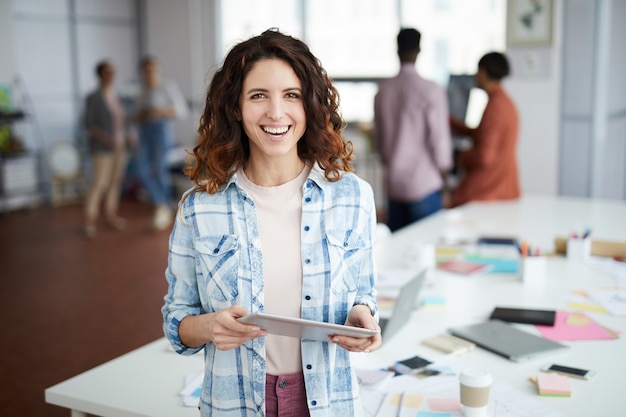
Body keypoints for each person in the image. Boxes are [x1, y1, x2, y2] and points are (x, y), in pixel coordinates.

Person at [161, 28, 381, 417]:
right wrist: (209, 327)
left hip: (329, 402)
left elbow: (364, 293)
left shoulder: (353, 196)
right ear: (235, 107)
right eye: (258, 95)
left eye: (291, 96)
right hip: (235, 403)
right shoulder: (197, 209)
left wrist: (363, 316)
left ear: (309, 105)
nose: (276, 113)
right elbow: (176, 320)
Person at [373, 28, 452, 232]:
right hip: (424, 185)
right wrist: (445, 177)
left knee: (397, 254)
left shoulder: (383, 90)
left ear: (397, 50)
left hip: (394, 185)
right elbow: (439, 141)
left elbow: (379, 143)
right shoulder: (431, 90)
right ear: (419, 51)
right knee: (427, 250)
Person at [449, 51, 520, 207]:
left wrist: (461, 157)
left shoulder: (495, 108)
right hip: (503, 184)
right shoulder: (504, 102)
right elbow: (483, 135)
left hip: (489, 187)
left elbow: (485, 157)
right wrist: (453, 123)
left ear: (482, 72)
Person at [134, 55, 188, 231]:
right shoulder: (141, 91)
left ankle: (161, 206)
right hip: (145, 132)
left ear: (156, 69)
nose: (149, 72)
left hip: (161, 131)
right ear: (142, 71)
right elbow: (135, 115)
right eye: (146, 69)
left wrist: (160, 110)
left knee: (159, 170)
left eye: (152, 69)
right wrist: (142, 115)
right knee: (141, 170)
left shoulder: (166, 86)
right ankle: (162, 203)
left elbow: (181, 110)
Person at [83, 60, 131, 239]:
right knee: (99, 183)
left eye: (112, 72)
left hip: (120, 146)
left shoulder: (117, 95)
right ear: (100, 75)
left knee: (115, 182)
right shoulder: (93, 97)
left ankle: (110, 215)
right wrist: (107, 138)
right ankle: (89, 221)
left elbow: (124, 121)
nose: (110, 75)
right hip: (102, 147)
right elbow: (89, 124)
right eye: (106, 72)